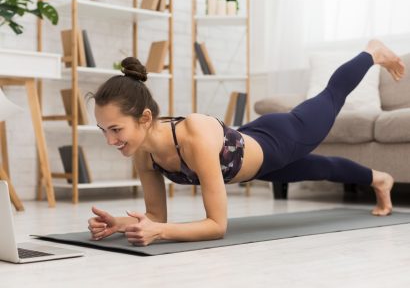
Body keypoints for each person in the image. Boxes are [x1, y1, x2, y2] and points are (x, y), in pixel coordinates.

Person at [88, 40, 405, 246]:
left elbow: (216, 225)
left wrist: (160, 233)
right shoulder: (144, 154)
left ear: (144, 118)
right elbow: (156, 217)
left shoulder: (192, 135)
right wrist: (120, 224)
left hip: (282, 138)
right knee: (321, 167)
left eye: (116, 129)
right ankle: (381, 178)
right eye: (103, 130)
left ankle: (371, 52)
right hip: (255, 155)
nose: (110, 140)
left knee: (331, 96)